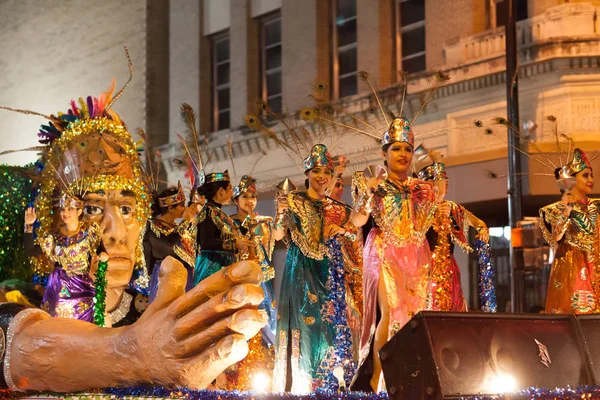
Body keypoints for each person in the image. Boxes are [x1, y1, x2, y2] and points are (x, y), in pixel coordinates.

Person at [351, 117, 441, 392]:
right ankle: (379, 380)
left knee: (414, 315)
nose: (402, 154)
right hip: (384, 251)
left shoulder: (421, 187)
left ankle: (412, 376)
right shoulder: (371, 182)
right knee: (388, 314)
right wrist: (368, 194)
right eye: (396, 149)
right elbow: (356, 221)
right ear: (384, 153)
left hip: (416, 255)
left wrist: (435, 171)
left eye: (407, 149)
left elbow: (429, 217)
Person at [272, 144, 361, 393]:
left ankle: (333, 383)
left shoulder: (339, 209)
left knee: (331, 326)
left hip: (329, 274)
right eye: (316, 171)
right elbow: (278, 235)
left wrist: (342, 230)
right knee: (306, 325)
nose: (321, 176)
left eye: (326, 172)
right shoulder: (293, 201)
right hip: (300, 271)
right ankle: (303, 386)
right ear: (307, 174)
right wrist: (279, 212)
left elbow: (356, 232)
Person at [23, 195, 108, 323]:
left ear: (79, 212)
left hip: (82, 285)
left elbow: (100, 249)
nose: (65, 213)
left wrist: (103, 255)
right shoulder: (54, 237)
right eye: (63, 209)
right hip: (60, 286)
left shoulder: (90, 231)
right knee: (59, 322)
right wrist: (28, 226)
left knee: (86, 323)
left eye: (70, 209)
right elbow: (31, 251)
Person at [417, 162, 489, 311]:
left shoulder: (452, 207)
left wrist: (482, 228)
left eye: (447, 182)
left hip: (449, 265)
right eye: (442, 181)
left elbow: (477, 221)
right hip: (425, 266)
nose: (446, 185)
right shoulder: (419, 209)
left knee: (452, 303)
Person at [228, 175, 277, 390]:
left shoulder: (264, 223)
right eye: (245, 196)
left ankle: (265, 369)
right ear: (236, 199)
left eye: (253, 196)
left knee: (266, 320)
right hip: (238, 281)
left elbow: (269, 249)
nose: (250, 200)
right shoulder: (229, 223)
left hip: (260, 281)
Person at [539, 148, 599, 314]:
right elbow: (556, 238)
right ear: (571, 181)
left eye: (591, 175)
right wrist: (567, 212)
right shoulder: (554, 210)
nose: (590, 179)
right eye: (585, 175)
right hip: (573, 269)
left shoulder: (597, 206)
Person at [145, 183, 187, 302]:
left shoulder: (175, 226)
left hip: (180, 273)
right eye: (181, 206)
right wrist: (185, 223)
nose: (184, 209)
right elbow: (167, 249)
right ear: (170, 208)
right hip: (163, 274)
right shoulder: (153, 226)